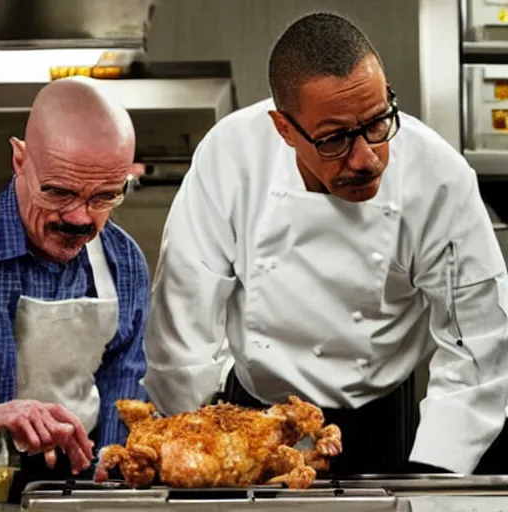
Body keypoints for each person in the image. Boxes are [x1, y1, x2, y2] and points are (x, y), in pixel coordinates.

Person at [143, 12, 508, 476]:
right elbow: (183, 315)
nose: (367, 157)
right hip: (249, 426)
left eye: (378, 123)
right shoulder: (232, 155)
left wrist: (434, 472)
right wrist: (195, 447)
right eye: (335, 139)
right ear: (285, 129)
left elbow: (476, 344)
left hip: (375, 422)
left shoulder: (438, 178)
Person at [0, 76, 149, 490]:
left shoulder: (123, 263)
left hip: (76, 484)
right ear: (20, 161)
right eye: (59, 192)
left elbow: (125, 386)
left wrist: (110, 477)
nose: (81, 218)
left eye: (104, 197)